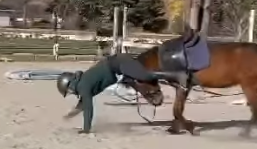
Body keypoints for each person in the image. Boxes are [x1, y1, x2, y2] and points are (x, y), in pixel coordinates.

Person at [56, 54, 187, 134]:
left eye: (68, 91)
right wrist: (69, 116)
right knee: (138, 79)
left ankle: (177, 75)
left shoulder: (83, 86)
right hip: (117, 65)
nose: (71, 93)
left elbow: (88, 107)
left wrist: (86, 129)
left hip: (118, 63)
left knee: (145, 76)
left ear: (69, 85)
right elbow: (83, 104)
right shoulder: (83, 84)